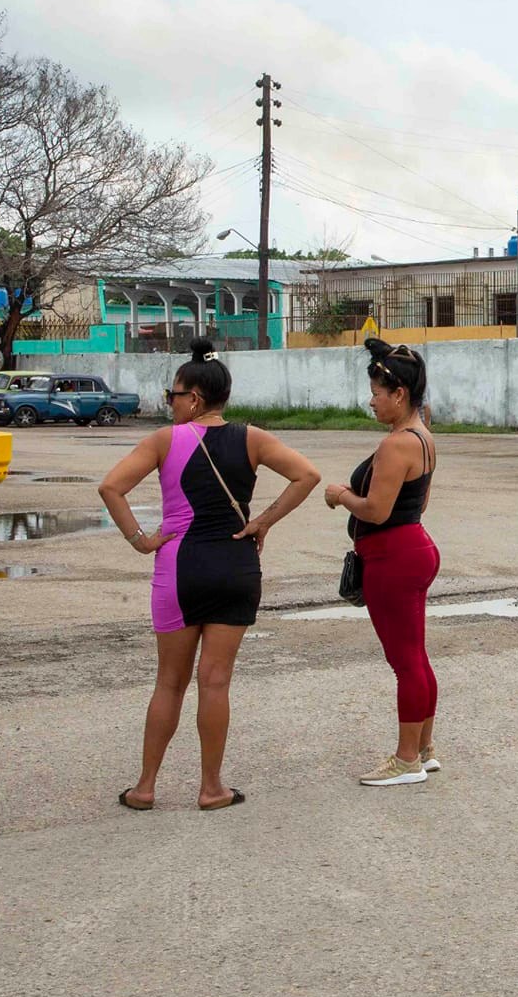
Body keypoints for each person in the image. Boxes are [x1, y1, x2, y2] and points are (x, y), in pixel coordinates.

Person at [100, 338, 321, 811]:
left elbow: (111, 487)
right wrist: (263, 522)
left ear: (195, 398)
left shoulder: (164, 441)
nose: (170, 404)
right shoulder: (253, 438)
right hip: (236, 565)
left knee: (169, 682)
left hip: (179, 570)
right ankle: (212, 788)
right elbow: (307, 476)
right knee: (215, 681)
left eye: (173, 396)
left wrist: (140, 539)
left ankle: (144, 788)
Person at [326, 339, 443, 786]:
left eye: (376, 393)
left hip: (393, 556)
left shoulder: (396, 444)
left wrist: (341, 496)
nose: (371, 401)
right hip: (413, 547)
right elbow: (419, 502)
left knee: (405, 662)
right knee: (416, 657)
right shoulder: (424, 437)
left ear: (399, 394)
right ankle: (424, 749)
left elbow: (376, 510)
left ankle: (406, 759)